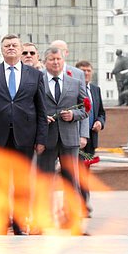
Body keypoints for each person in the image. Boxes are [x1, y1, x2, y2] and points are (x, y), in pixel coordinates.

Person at [0, 34, 47, 234]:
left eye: (15, 45)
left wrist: (41, 138)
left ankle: (20, 223)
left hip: (25, 137)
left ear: (21, 48)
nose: (11, 48)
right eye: (7, 46)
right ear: (1, 49)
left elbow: (42, 109)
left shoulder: (35, 75)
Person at [37, 47, 88, 199]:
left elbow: (86, 108)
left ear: (63, 61)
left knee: (71, 179)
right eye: (52, 59)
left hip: (69, 139)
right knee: (45, 178)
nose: (55, 62)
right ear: (45, 62)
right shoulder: (37, 81)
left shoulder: (76, 83)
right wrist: (41, 117)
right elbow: (30, 107)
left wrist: (73, 114)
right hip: (46, 139)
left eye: (58, 59)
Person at [76, 59, 106, 214]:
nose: (86, 73)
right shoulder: (73, 88)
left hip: (91, 139)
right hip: (77, 139)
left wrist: (100, 122)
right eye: (82, 70)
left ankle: (83, 202)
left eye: (88, 70)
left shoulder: (96, 89)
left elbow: (101, 112)